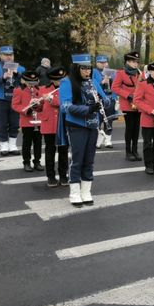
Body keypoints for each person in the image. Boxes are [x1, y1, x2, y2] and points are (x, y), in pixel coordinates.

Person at [58, 54, 110, 207]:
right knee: (77, 158)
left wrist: (104, 101)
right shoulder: (66, 82)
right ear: (76, 68)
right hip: (76, 125)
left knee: (89, 159)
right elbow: (65, 106)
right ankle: (74, 192)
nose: (87, 71)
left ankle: (86, 191)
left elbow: (105, 98)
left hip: (93, 124)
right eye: (84, 68)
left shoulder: (93, 82)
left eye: (89, 68)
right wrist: (87, 109)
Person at [0, 45, 25, 156]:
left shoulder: (20, 67)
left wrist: (17, 73)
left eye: (11, 55)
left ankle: (12, 144)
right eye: (6, 55)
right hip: (0, 98)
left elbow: (25, 80)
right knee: (2, 123)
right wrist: (2, 77)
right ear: (1, 55)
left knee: (15, 123)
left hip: (16, 99)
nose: (9, 57)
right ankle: (3, 144)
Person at [39, 66, 69, 187]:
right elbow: (40, 108)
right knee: (49, 151)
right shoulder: (43, 90)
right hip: (48, 124)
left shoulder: (67, 89)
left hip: (63, 124)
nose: (60, 82)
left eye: (62, 79)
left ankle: (63, 176)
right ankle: (51, 177)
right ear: (52, 80)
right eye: (57, 80)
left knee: (63, 151)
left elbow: (64, 103)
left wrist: (52, 99)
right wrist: (34, 105)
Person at [112, 51, 142, 161]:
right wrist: (127, 95)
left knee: (136, 129)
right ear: (127, 62)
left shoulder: (139, 73)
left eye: (137, 62)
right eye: (133, 62)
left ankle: (135, 150)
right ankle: (128, 152)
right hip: (127, 104)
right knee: (129, 128)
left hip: (138, 105)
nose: (135, 64)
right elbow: (114, 88)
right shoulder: (121, 73)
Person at [11, 70, 44, 172]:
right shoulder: (18, 90)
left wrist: (38, 105)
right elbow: (15, 105)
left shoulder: (39, 89)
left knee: (38, 142)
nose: (32, 83)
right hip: (26, 121)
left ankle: (37, 161)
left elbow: (43, 104)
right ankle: (26, 162)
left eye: (34, 81)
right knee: (27, 143)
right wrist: (27, 109)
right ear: (23, 80)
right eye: (29, 81)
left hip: (38, 120)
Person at [92, 54, 116, 149]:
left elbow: (116, 86)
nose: (103, 64)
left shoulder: (111, 72)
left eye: (105, 62)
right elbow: (92, 84)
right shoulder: (93, 72)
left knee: (109, 120)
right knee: (98, 120)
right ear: (97, 63)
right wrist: (102, 82)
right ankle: (97, 141)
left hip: (110, 98)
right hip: (98, 99)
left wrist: (111, 80)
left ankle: (108, 140)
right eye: (101, 63)